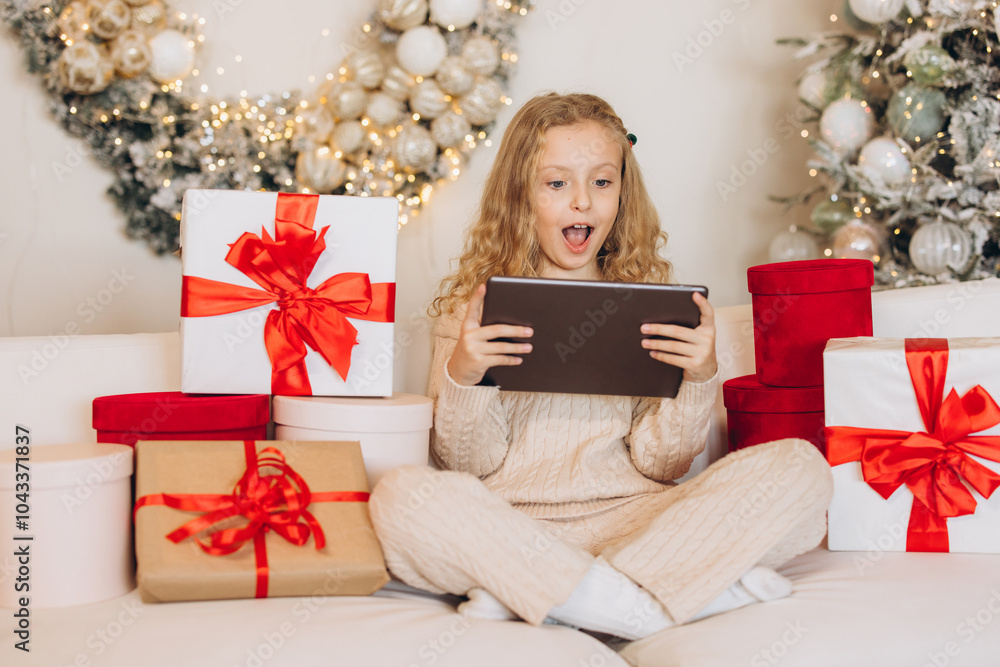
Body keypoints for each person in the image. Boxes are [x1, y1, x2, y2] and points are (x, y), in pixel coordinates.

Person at [370, 92, 833, 641]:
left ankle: (556, 596)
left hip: (639, 523)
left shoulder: (649, 304)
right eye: (557, 183)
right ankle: (653, 602)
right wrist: (465, 376)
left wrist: (698, 377)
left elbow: (662, 466)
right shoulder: (471, 312)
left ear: (622, 192)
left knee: (802, 470)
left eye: (602, 182)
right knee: (402, 497)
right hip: (516, 529)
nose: (583, 203)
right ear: (521, 195)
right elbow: (466, 468)